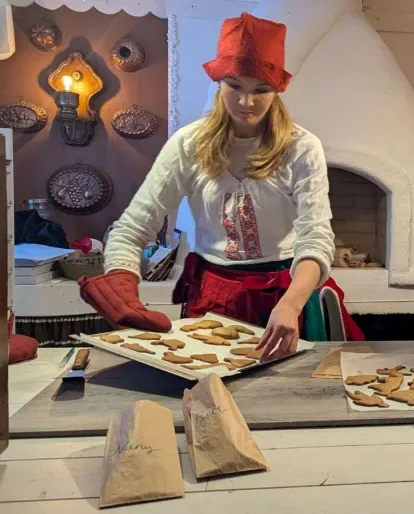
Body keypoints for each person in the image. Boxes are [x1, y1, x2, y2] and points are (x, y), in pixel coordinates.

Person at [78, 13, 362, 361]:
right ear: (218, 83)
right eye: (234, 86)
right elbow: (133, 228)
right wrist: (123, 289)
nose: (247, 102)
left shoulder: (301, 147)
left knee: (292, 387)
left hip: (288, 294)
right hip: (214, 295)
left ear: (277, 90)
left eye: (261, 90)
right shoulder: (187, 144)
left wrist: (291, 305)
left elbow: (316, 237)